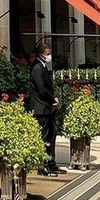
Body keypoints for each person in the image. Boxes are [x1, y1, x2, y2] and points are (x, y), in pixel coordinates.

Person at [29, 40, 60, 176]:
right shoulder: (37, 67)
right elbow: (41, 88)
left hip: (46, 108)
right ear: (41, 54)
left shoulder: (42, 66)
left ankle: (51, 162)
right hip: (41, 108)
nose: (49, 56)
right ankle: (43, 165)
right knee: (44, 136)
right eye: (47, 54)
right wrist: (52, 100)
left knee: (52, 133)